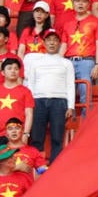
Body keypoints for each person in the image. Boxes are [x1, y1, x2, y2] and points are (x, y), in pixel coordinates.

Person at [23, 30, 75, 163]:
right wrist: (30, 104)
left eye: (55, 40)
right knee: (36, 136)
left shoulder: (66, 63)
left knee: (57, 136)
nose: (52, 43)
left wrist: (71, 106)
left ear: (59, 43)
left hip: (59, 101)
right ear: (44, 43)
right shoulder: (36, 62)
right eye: (49, 40)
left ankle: (55, 166)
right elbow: (31, 84)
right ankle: (37, 164)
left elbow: (70, 85)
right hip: (38, 101)